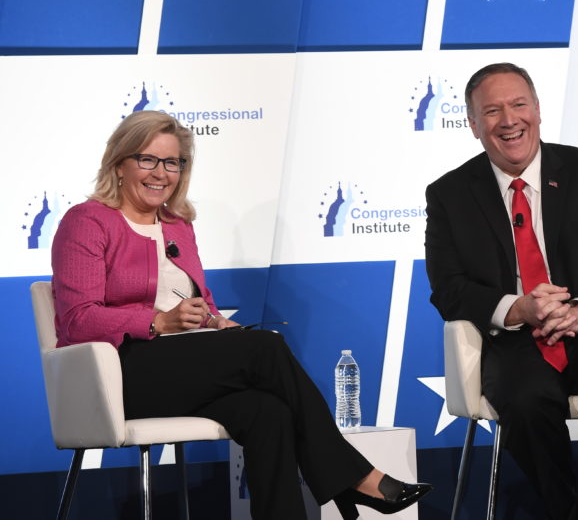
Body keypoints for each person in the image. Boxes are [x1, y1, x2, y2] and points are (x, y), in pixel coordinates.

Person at [50, 110, 431, 520]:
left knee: (269, 412)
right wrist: (157, 322)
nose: (161, 173)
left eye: (172, 162)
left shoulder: (177, 225)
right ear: (119, 164)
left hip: (183, 371)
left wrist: (215, 322)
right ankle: (355, 476)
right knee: (264, 348)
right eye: (147, 159)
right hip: (120, 377)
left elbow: (197, 300)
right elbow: (76, 320)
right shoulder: (87, 221)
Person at [425, 63, 578, 520]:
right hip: (517, 340)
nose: (509, 120)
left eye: (519, 105)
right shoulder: (449, 195)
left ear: (537, 109)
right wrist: (518, 309)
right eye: (492, 111)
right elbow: (448, 289)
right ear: (473, 124)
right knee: (523, 398)